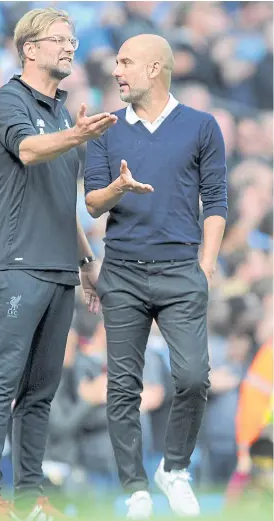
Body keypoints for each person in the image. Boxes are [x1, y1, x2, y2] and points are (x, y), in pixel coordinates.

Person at [0, 7, 117, 521]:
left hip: (58, 268)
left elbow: (61, 200)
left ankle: (30, 496)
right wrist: (77, 138)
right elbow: (29, 153)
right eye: (59, 39)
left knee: (40, 392)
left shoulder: (61, 112)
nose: (70, 47)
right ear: (29, 48)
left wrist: (86, 261)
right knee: (4, 380)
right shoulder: (8, 99)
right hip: (17, 260)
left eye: (73, 40)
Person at [84, 34, 227, 519]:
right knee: (123, 387)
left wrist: (205, 267)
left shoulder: (202, 126)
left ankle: (175, 468)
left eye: (126, 62)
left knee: (191, 377)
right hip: (121, 270)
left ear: (155, 69)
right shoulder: (104, 129)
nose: (117, 71)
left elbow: (217, 200)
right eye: (116, 62)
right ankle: (135, 489)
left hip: (182, 270)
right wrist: (117, 188)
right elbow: (91, 203)